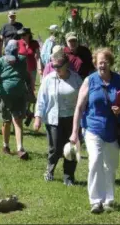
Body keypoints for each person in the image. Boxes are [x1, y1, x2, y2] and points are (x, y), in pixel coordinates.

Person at [69, 48, 120, 214]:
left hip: (113, 129)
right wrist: (75, 132)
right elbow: (80, 107)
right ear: (95, 63)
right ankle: (95, 201)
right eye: (99, 62)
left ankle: (109, 200)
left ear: (110, 62)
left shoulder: (118, 79)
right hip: (92, 127)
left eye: (105, 61)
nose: (102, 64)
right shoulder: (90, 80)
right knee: (95, 161)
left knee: (110, 166)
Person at [34, 49, 82, 186]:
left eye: (58, 66)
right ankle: (50, 169)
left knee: (72, 148)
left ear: (66, 64)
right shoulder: (48, 79)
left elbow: (84, 98)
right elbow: (41, 99)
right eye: (53, 66)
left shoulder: (76, 79)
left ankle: (69, 177)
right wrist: (38, 117)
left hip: (72, 118)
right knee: (55, 148)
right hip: (53, 119)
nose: (55, 69)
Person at [0, 40, 33, 160]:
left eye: (13, 58)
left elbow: (27, 77)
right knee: (6, 121)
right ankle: (6, 146)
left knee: (18, 121)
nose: (11, 61)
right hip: (4, 97)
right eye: (9, 58)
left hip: (19, 96)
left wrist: (31, 92)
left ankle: (20, 149)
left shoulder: (22, 61)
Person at [17, 27, 41, 93]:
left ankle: (31, 100)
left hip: (32, 68)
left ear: (29, 35)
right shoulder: (18, 43)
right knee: (22, 87)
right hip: (21, 69)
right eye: (21, 35)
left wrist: (39, 68)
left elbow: (38, 57)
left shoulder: (34, 43)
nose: (22, 37)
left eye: (24, 35)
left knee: (31, 87)